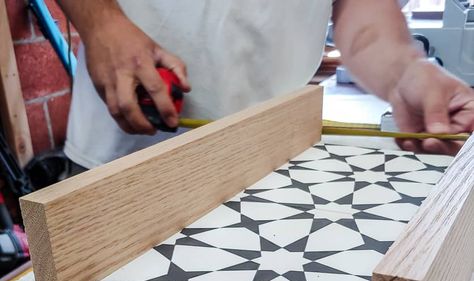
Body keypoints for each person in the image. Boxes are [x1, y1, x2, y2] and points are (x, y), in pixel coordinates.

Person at [57, 0, 474, 169]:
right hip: (117, 154)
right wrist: (101, 22)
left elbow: (362, 14)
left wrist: (405, 71)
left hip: (268, 161)